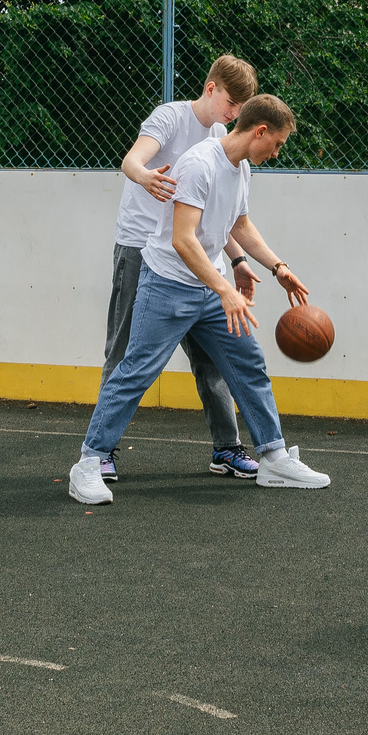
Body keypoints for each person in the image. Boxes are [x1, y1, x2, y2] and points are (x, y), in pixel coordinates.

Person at [70, 93, 330, 504]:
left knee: (249, 364)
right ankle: (88, 465)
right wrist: (225, 289)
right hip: (168, 286)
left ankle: (274, 458)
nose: (277, 152)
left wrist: (277, 267)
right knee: (135, 371)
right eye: (277, 143)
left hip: (208, 290)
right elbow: (183, 240)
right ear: (259, 131)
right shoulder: (199, 164)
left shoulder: (240, 166)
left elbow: (240, 224)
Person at [104, 55, 265, 482]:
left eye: (239, 109)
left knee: (213, 355)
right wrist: (144, 178)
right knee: (125, 354)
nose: (233, 115)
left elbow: (215, 215)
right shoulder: (171, 117)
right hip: (142, 247)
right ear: (210, 87)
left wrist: (239, 260)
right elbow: (131, 161)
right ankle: (103, 451)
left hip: (190, 255)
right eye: (230, 103)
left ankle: (226, 449)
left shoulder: (219, 137)